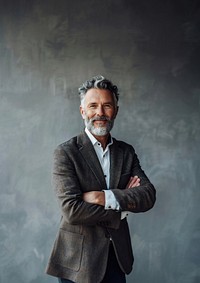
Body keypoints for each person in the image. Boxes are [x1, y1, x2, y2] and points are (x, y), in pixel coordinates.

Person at [45, 75, 156, 283]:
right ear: (82, 111)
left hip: (117, 256)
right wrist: (121, 208)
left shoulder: (126, 152)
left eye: (107, 105)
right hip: (78, 260)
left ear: (116, 110)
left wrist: (101, 197)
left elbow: (147, 196)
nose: (100, 113)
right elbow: (72, 209)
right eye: (93, 106)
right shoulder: (66, 153)